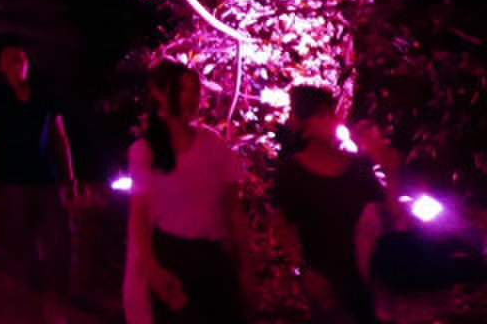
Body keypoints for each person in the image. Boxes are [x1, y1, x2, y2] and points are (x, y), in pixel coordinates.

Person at [126, 59, 250, 324]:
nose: (191, 97)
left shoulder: (213, 144)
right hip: (173, 256)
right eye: (182, 90)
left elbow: (233, 206)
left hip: (214, 257)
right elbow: (139, 214)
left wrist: (246, 259)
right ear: (160, 94)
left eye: (195, 90)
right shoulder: (145, 151)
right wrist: (152, 269)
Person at [0, 37, 77, 324]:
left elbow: (60, 136)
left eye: (22, 57)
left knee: (61, 239)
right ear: (1, 66)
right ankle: (38, 297)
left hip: (46, 178)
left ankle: (55, 295)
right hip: (13, 182)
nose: (19, 62)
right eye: (11, 58)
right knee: (23, 244)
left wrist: (70, 176)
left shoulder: (44, 94)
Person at [271, 84, 387, 324]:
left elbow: (385, 210)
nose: (332, 121)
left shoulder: (356, 166)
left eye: (332, 114)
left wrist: (389, 169)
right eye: (322, 115)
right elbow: (282, 224)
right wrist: (303, 270)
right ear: (305, 122)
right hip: (326, 282)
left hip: (369, 276)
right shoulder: (292, 172)